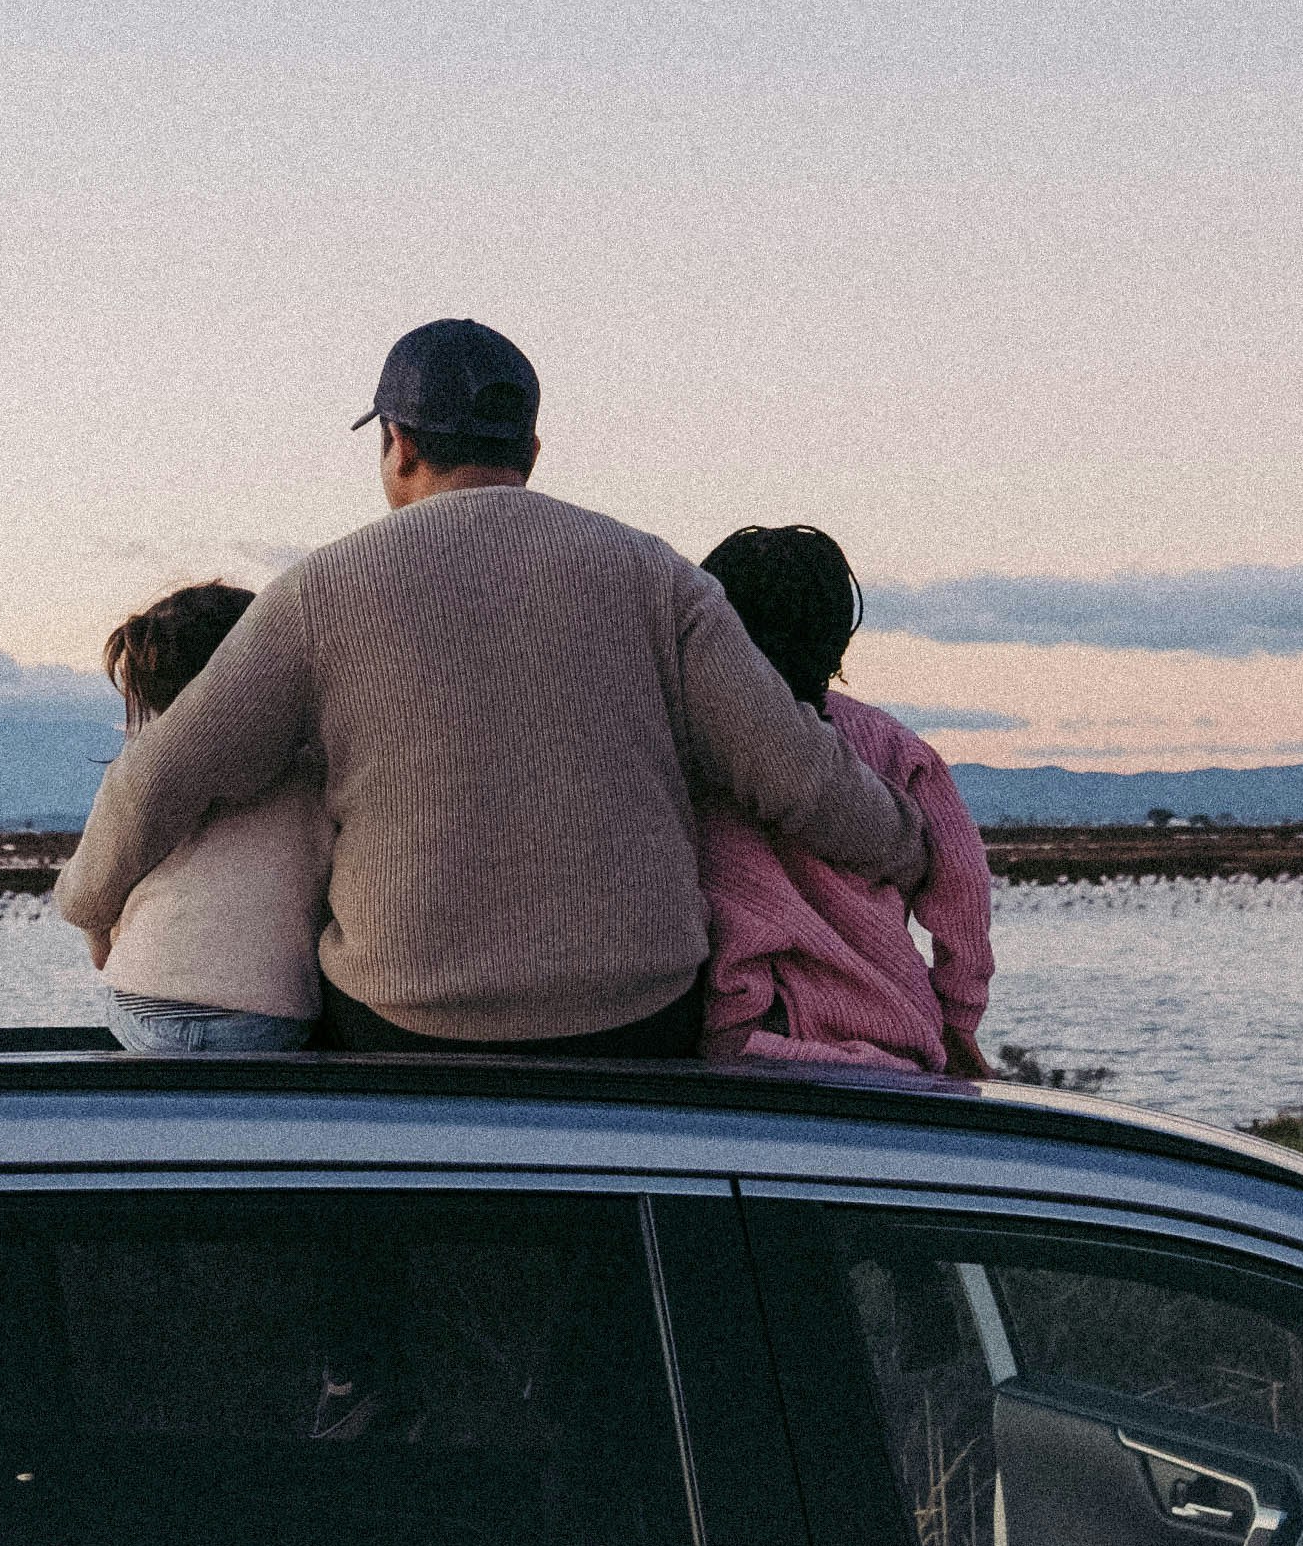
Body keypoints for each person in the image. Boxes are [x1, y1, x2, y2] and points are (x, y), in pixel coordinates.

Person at [54, 319, 924, 1056]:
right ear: (531, 450)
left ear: (395, 443)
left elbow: (162, 778)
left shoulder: (322, 591)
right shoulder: (655, 577)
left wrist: (89, 904)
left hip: (407, 1026)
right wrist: (907, 843)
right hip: (635, 1019)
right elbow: (797, 775)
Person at [690, 523, 996, 1076]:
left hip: (743, 1034)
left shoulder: (688, 743)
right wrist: (958, 1018)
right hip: (889, 1035)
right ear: (837, 634)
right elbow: (964, 891)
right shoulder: (897, 749)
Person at [72, 579, 309, 1054]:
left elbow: (86, 895)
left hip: (145, 1004)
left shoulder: (141, 772)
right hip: (269, 1019)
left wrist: (105, 940)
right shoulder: (311, 773)